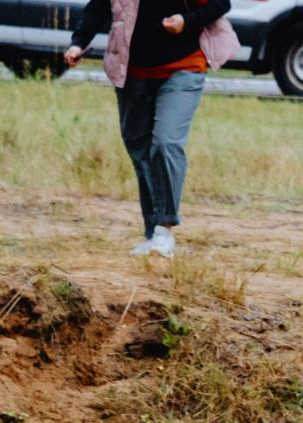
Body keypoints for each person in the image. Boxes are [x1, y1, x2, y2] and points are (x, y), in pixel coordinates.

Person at [67, 0, 231, 259]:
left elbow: (221, 3)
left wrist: (186, 21)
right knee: (140, 149)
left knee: (166, 143)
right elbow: (98, 7)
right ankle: (152, 232)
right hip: (132, 72)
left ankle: (164, 230)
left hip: (183, 67)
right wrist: (78, 42)